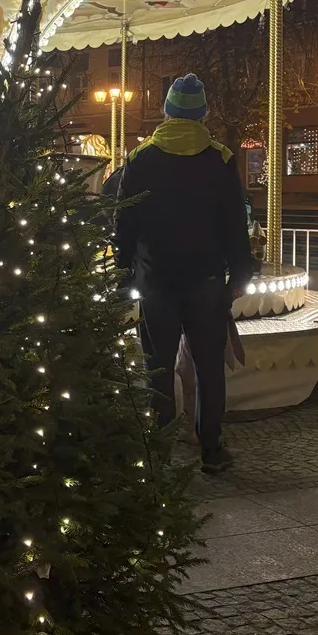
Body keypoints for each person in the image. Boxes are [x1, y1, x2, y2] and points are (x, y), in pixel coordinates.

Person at [115, 73, 256, 473]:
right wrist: (240, 275)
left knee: (157, 367)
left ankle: (158, 449)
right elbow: (234, 223)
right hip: (206, 281)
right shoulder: (220, 159)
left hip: (156, 279)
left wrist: (123, 272)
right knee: (209, 367)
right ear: (203, 114)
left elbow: (125, 219)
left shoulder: (142, 158)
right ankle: (211, 447)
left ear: (168, 111)